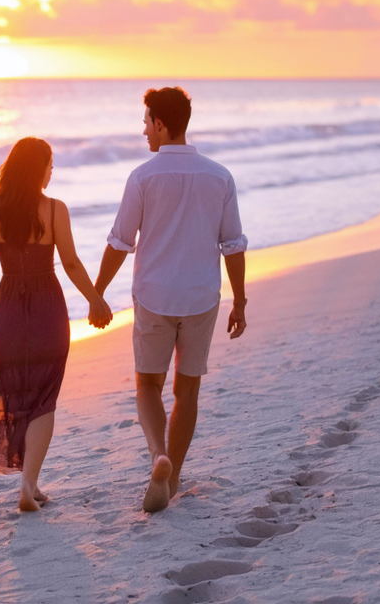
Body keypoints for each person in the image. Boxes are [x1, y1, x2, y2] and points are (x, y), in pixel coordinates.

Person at [94, 86, 248, 513]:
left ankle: (156, 454)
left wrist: (98, 292)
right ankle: (174, 474)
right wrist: (240, 300)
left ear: (161, 124)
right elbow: (233, 245)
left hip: (154, 297)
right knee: (188, 390)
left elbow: (120, 243)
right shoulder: (219, 176)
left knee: (147, 384)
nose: (144, 131)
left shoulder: (143, 177)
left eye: (146, 122)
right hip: (200, 298)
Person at [0, 137, 113, 512]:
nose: (53, 172)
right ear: (40, 169)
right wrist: (95, 298)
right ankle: (29, 485)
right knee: (45, 398)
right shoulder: (54, 210)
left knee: (20, 395)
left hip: (9, 313)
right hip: (49, 309)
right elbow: (69, 262)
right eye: (50, 165)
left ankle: (29, 485)